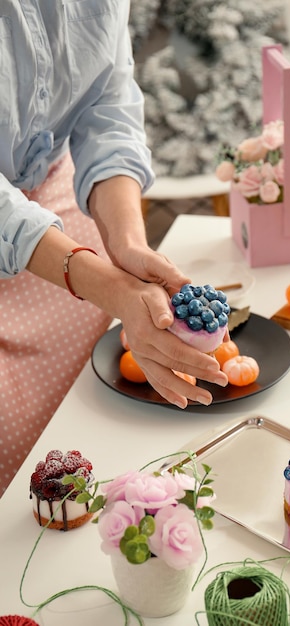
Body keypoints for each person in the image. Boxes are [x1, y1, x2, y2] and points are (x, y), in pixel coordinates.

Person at [0, 1, 228, 495]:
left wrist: (125, 243)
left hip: (55, 196)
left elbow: (106, 101)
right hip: (35, 232)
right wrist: (105, 282)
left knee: (92, 417)